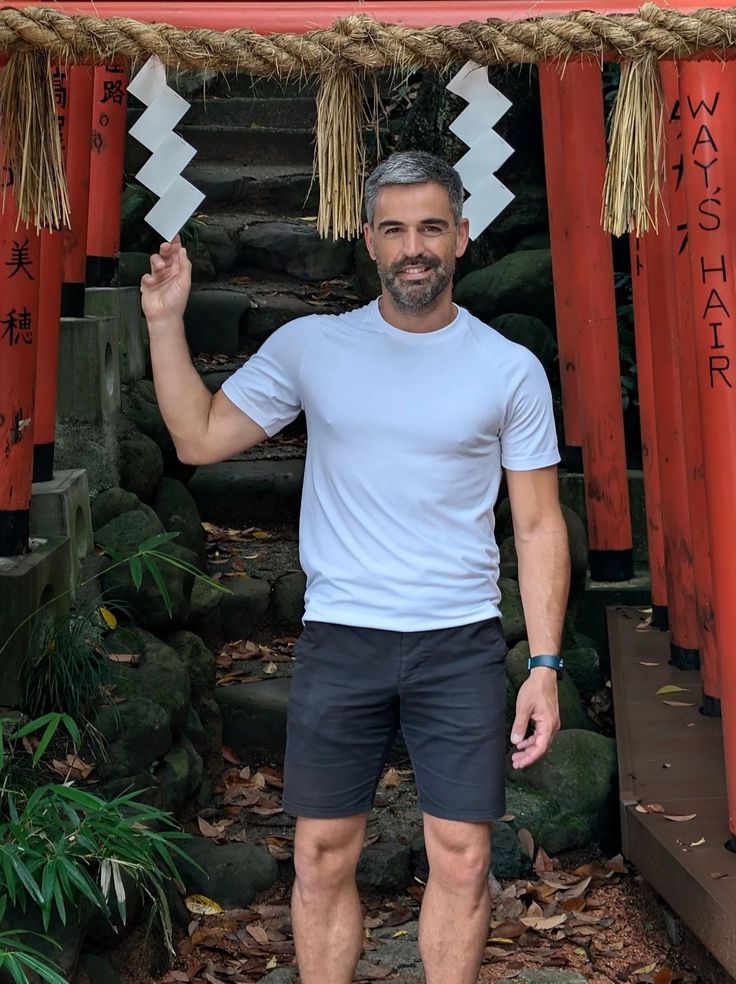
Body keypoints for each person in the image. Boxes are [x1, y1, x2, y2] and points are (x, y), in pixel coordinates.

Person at [141, 150, 570, 984]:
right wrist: (165, 321)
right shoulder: (315, 348)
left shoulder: (508, 367)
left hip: (459, 640)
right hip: (343, 636)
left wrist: (545, 664)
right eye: (397, 229)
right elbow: (198, 438)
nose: (415, 248)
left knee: (462, 855)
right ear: (369, 239)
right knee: (324, 854)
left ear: (463, 237)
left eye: (432, 228)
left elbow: (541, 523)